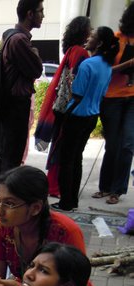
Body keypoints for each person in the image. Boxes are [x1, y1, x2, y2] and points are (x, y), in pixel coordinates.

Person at [54, 27, 119, 213]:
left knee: (66, 160)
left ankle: (66, 202)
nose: (88, 38)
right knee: (77, 158)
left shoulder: (87, 65)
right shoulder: (107, 66)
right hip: (92, 116)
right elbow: (102, 93)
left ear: (99, 43)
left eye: (92, 36)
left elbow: (77, 94)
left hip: (76, 115)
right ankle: (72, 200)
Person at [33, 16, 91, 197]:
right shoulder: (80, 52)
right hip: (70, 108)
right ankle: (57, 186)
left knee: (59, 145)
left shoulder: (71, 50)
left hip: (61, 106)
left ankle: (53, 184)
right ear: (84, 32)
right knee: (66, 149)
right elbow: (75, 81)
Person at [0, 0, 44, 173]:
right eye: (40, 11)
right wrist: (35, 53)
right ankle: (4, 190)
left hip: (12, 106)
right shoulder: (19, 40)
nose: (43, 15)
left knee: (8, 158)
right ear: (30, 14)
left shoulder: (13, 37)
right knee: (10, 160)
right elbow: (36, 69)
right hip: (14, 107)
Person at [94, 4, 134, 206]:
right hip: (112, 97)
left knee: (128, 144)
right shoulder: (115, 39)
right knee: (112, 144)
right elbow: (104, 70)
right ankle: (105, 186)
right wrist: (128, 64)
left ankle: (117, 190)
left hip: (132, 99)